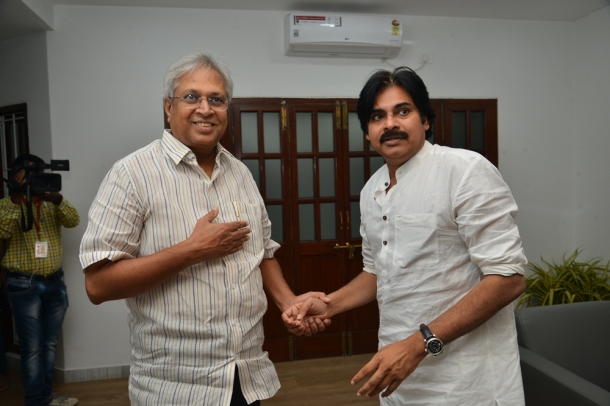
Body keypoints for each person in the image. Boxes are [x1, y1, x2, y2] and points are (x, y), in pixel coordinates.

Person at [79, 52, 329, 406]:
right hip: (175, 387)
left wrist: (290, 304)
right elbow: (97, 285)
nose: (205, 109)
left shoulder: (239, 173)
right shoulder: (132, 174)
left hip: (245, 375)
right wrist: (191, 250)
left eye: (217, 99)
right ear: (168, 107)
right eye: (191, 97)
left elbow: (261, 253)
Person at [283, 67, 528, 405]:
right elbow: (378, 272)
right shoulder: (372, 190)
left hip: (468, 381)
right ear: (367, 133)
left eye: (402, 111)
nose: (390, 124)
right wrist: (327, 306)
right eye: (377, 116)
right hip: (396, 373)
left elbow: (508, 279)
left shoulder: (465, 171)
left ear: (425, 120)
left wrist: (416, 345)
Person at [0, 154, 80, 406]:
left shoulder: (50, 204)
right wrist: (17, 198)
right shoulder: (6, 205)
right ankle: (36, 400)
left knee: (49, 344)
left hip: (55, 283)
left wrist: (56, 198)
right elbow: (2, 230)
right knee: (33, 347)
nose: (36, 181)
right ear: (17, 178)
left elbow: (74, 220)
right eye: (29, 177)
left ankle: (44, 396)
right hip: (24, 285)